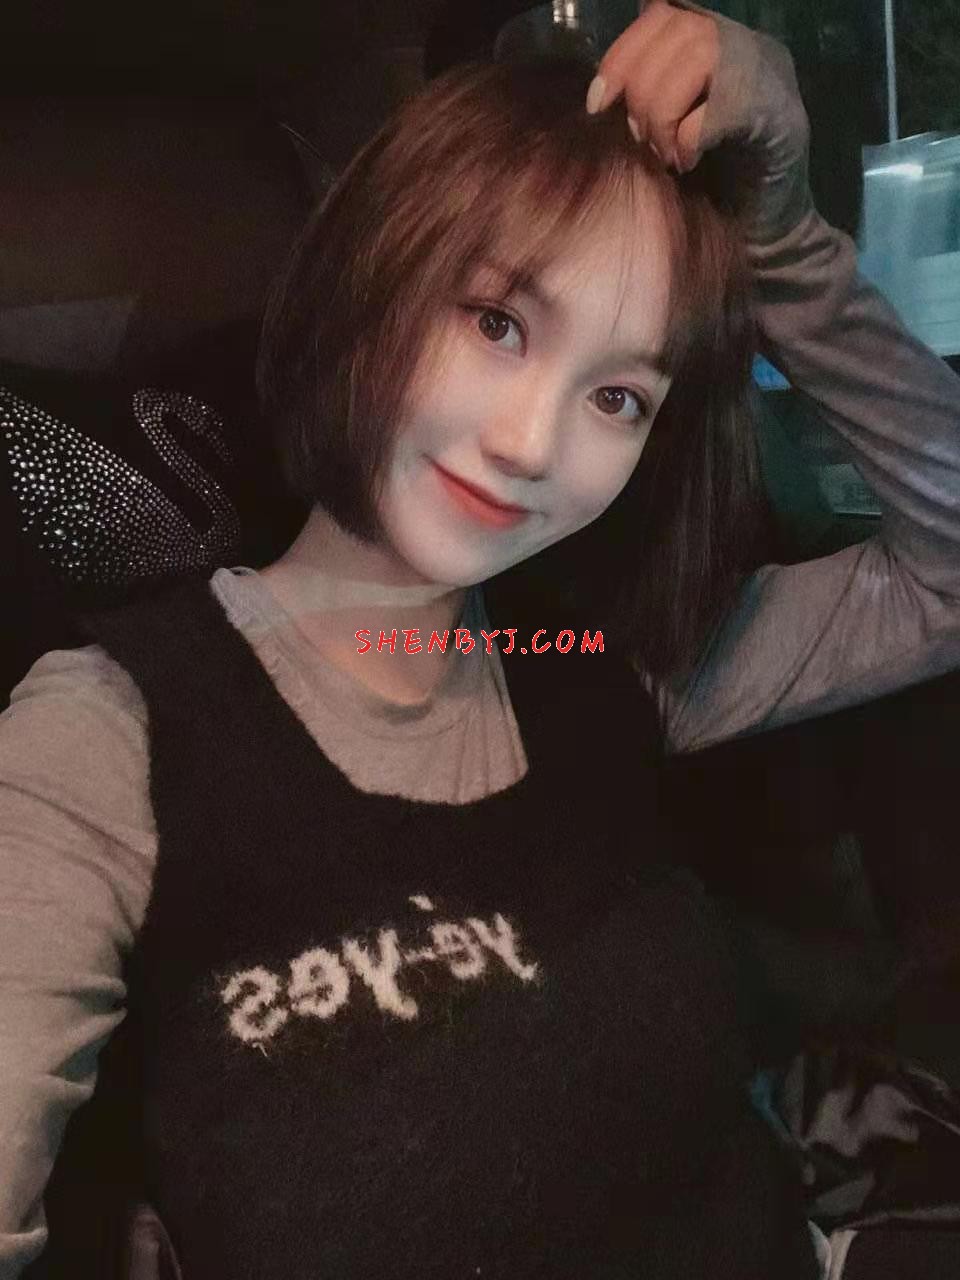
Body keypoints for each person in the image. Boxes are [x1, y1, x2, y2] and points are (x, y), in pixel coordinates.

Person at [1, 2, 959, 1278]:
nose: (529, 444)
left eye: (616, 396)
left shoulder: (604, 666)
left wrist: (780, 232)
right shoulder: (109, 731)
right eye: (497, 321)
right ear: (375, 274)